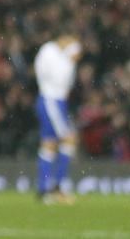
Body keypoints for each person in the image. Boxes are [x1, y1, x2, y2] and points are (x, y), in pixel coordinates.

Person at [34, 35, 81, 204]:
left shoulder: (56, 54)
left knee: (49, 144)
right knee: (68, 140)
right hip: (51, 100)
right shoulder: (50, 51)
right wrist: (70, 57)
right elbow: (58, 79)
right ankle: (58, 187)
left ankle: (44, 189)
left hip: (53, 100)